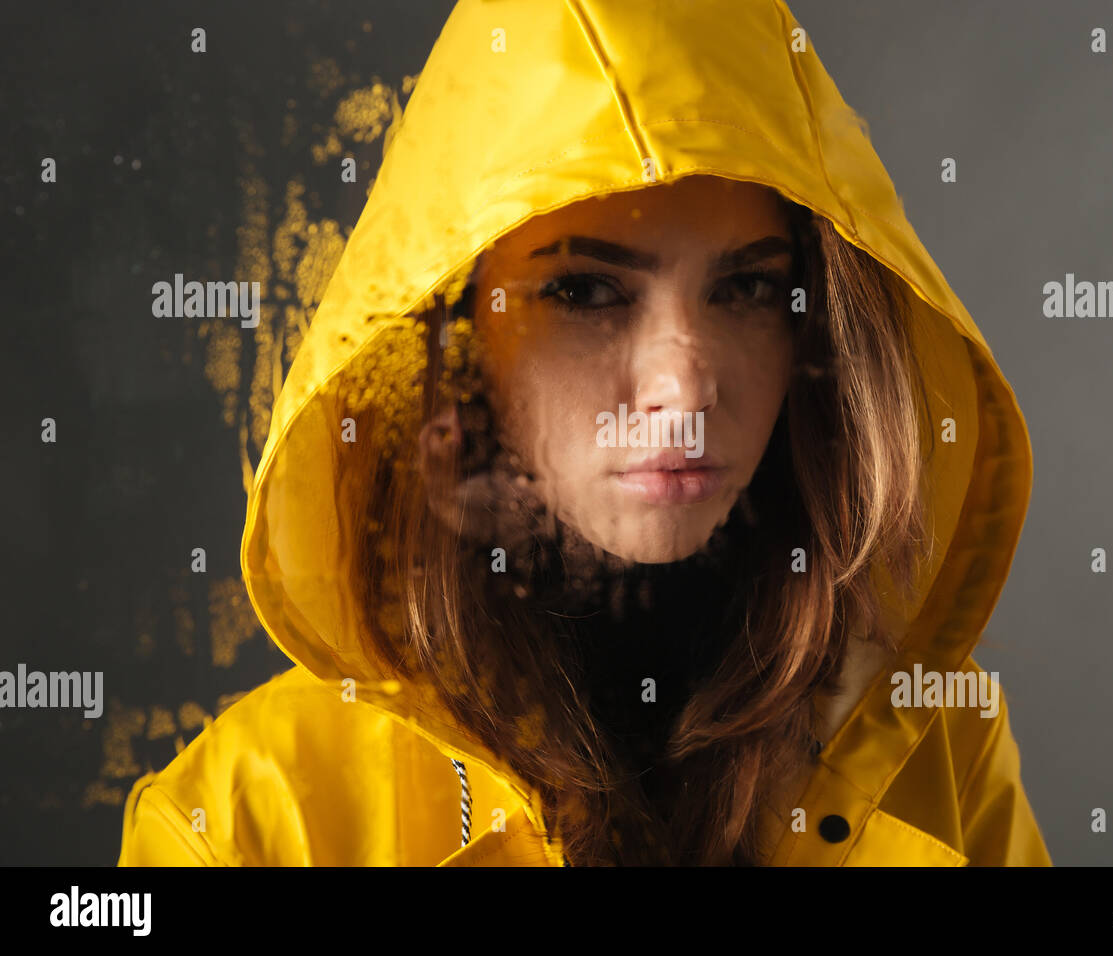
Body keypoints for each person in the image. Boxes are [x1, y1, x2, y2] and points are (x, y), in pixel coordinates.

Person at [118, 0, 1051, 866]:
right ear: (454, 342)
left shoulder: (939, 742)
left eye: (748, 287)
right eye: (583, 291)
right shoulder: (247, 822)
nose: (683, 385)